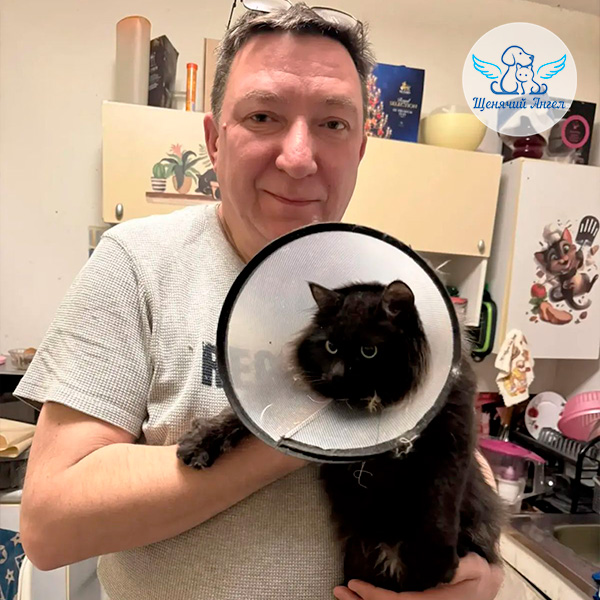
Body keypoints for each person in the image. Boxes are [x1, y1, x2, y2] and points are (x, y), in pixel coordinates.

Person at [16, 4, 504, 599]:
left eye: (333, 123)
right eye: (263, 116)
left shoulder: (392, 284)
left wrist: (485, 573)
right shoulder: (136, 263)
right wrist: (300, 433)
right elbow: (50, 525)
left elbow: (453, 444)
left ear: (360, 150)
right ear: (214, 140)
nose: (298, 157)